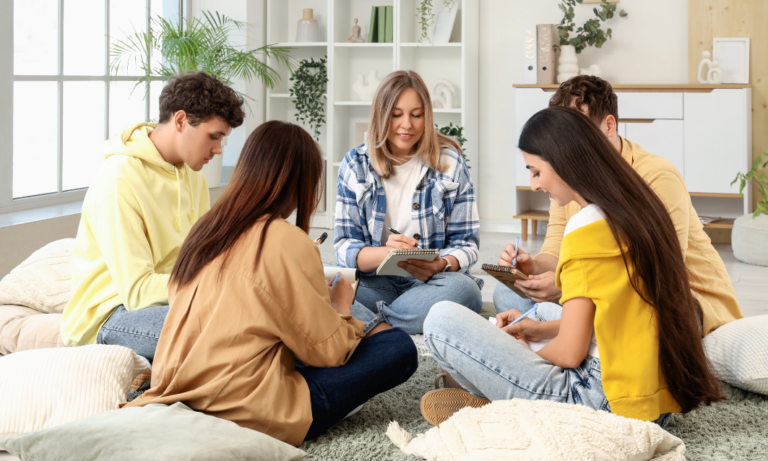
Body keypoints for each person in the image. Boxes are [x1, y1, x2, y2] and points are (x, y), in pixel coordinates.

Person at [420, 107, 723, 427]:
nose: (534, 185)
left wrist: (521, 353)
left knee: (441, 319)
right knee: (540, 315)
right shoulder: (636, 208)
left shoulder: (585, 227)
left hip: (599, 404)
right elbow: (614, 315)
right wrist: (537, 331)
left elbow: (569, 354)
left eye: (536, 172)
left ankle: (499, 405)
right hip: (653, 403)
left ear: (562, 161)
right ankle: (494, 389)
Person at [123, 121, 418, 447]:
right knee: (398, 348)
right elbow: (330, 353)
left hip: (180, 390)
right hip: (247, 410)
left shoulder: (206, 230)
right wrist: (340, 308)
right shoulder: (286, 239)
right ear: (300, 182)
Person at [494, 75, 742, 337]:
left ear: (609, 126)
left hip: (677, 298)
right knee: (509, 295)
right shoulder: (566, 179)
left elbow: (659, 272)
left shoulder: (657, 177)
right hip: (601, 293)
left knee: (653, 318)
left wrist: (567, 287)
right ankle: (571, 334)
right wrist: (533, 268)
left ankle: (565, 335)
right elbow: (556, 248)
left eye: (578, 131)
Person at [60, 72, 245, 361]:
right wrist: (211, 284)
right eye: (213, 136)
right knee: (235, 329)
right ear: (181, 120)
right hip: (110, 316)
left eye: (222, 138)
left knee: (258, 315)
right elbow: (137, 292)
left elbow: (202, 254)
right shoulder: (119, 181)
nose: (218, 149)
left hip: (171, 300)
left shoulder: (191, 174)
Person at [334, 70, 482, 335]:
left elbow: (467, 244)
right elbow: (345, 246)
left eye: (416, 115)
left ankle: (374, 326)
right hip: (375, 282)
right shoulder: (355, 164)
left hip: (431, 283)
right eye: (396, 115)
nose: (407, 125)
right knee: (324, 285)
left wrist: (440, 264)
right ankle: (403, 320)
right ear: (381, 115)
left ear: (427, 116)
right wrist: (387, 254)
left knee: (465, 290)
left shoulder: (451, 162)